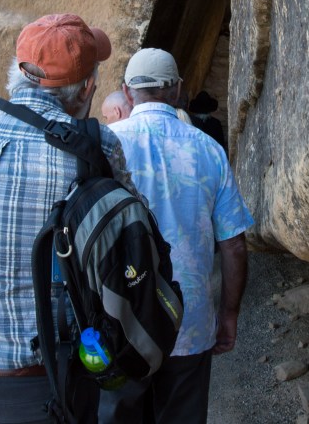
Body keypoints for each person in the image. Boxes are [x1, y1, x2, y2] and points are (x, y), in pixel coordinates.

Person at [0, 13, 140, 424]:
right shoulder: (94, 147)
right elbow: (134, 231)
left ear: (18, 72)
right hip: (42, 388)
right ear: (86, 88)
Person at [99, 48, 254, 424]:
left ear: (127, 91)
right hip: (190, 320)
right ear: (177, 90)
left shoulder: (105, 145)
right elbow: (232, 244)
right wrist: (228, 315)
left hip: (121, 321)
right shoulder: (209, 151)